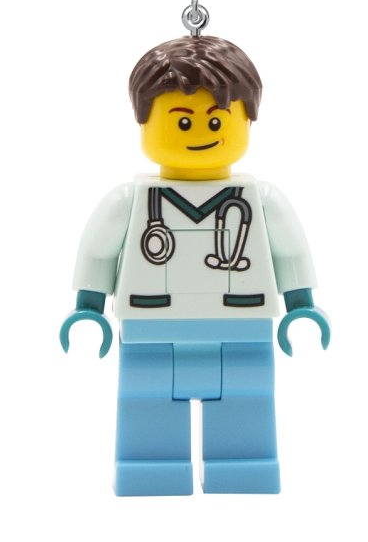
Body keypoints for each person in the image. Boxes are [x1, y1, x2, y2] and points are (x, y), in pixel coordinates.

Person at [60, 35, 330, 495]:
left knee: (246, 398)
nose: (201, 133)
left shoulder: (261, 200)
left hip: (242, 326)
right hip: (150, 328)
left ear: (247, 120)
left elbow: (289, 251)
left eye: (217, 119)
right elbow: (99, 251)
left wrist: (300, 305)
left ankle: (243, 466)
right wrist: (89, 309)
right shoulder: (131, 202)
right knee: (147, 399)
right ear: (143, 121)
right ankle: (150, 468)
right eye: (182, 121)